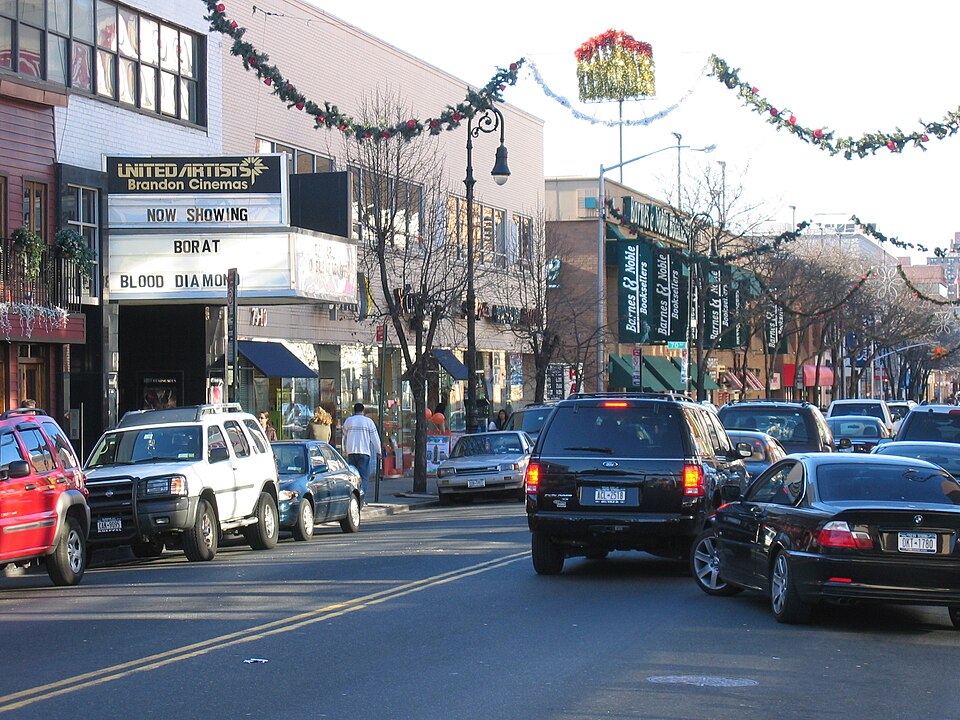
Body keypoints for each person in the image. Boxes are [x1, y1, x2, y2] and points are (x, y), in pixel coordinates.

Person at [341, 402, 382, 504]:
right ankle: (361, 499)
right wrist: (379, 451)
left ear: (354, 411)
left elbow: (344, 435)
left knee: (352, 477)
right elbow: (375, 438)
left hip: (351, 452)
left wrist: (344, 449)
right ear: (363, 411)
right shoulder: (368, 422)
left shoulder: (349, 421)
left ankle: (353, 499)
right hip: (364, 452)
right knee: (363, 477)